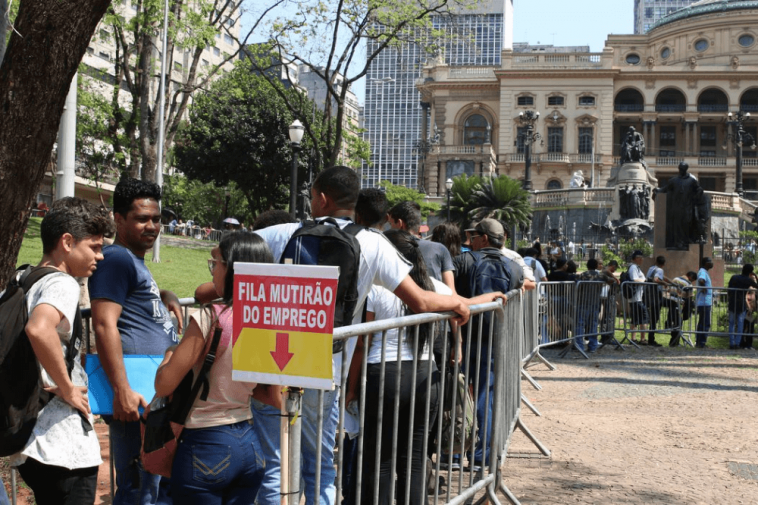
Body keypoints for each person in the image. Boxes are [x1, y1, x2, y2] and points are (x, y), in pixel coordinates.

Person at [254, 166, 470, 505]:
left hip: (270, 362)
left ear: (322, 198)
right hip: (326, 367)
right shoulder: (374, 243)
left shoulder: (283, 233)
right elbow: (420, 301)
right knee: (320, 466)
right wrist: (458, 302)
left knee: (274, 465)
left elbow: (229, 256)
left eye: (311, 197)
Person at [7, 198, 112, 505]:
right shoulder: (62, 284)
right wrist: (67, 389)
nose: (100, 256)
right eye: (94, 246)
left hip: (29, 440)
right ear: (67, 242)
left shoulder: (23, 278)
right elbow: (39, 329)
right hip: (61, 445)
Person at [154, 232, 267, 503]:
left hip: (206, 443)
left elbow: (164, 384)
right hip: (250, 444)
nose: (212, 270)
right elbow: (272, 394)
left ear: (232, 268)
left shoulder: (209, 318)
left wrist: (169, 355)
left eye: (215, 263)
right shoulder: (266, 319)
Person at [89, 178, 182, 505]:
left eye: (156, 219)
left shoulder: (133, 261)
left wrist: (165, 295)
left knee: (154, 486)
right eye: (142, 218)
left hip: (154, 392)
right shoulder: (116, 259)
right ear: (118, 219)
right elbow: (103, 324)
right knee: (138, 489)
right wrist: (121, 390)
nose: (152, 226)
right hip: (136, 395)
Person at [452, 219, 521, 468]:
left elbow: (450, 295)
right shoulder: (514, 268)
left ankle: (455, 453)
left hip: (463, 336)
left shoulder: (464, 261)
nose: (469, 241)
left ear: (483, 239)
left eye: (473, 236)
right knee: (485, 396)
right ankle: (483, 457)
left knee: (458, 395)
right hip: (494, 340)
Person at [388, 201, 456, 291]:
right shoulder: (440, 249)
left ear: (400, 224)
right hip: (434, 302)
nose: (390, 229)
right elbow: (451, 292)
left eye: (391, 224)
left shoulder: (386, 250)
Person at [573, 259, 617, 353]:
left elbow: (576, 285)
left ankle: (579, 345)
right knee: (593, 325)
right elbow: (611, 280)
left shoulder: (583, 275)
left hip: (582, 303)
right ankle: (592, 346)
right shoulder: (600, 275)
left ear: (587, 265)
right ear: (596, 266)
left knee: (580, 324)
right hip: (595, 303)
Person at [727, 264, 758, 350]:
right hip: (741, 304)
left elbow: (729, 289)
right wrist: (755, 276)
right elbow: (756, 286)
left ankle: (731, 343)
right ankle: (737, 343)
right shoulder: (748, 280)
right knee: (740, 325)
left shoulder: (734, 277)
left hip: (732, 303)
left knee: (731, 324)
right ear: (750, 272)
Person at [645, 256, 673, 347]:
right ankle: (651, 339)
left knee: (654, 318)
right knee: (655, 317)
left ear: (656, 261)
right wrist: (666, 284)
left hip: (650, 295)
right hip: (656, 296)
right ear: (664, 264)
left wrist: (670, 282)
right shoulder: (659, 270)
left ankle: (651, 338)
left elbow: (661, 277)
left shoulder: (651, 268)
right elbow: (656, 279)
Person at [665, 271, 698, 347]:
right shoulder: (688, 284)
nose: (692, 281)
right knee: (678, 323)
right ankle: (674, 343)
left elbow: (669, 290)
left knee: (674, 322)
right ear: (690, 277)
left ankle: (673, 340)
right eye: (692, 280)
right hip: (678, 304)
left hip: (670, 302)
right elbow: (689, 297)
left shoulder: (675, 279)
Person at [627, 250, 649, 345]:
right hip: (636, 298)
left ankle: (634, 339)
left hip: (638, 298)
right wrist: (644, 280)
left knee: (636, 319)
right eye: (641, 258)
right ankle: (640, 339)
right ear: (636, 258)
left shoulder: (636, 267)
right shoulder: (633, 267)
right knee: (643, 318)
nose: (642, 259)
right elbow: (634, 279)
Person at [695, 256, 714, 348]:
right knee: (705, 323)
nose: (711, 263)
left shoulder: (704, 271)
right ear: (706, 263)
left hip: (705, 302)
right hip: (704, 302)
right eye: (710, 262)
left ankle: (700, 342)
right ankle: (701, 342)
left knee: (703, 322)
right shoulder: (702, 271)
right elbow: (701, 280)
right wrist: (703, 287)